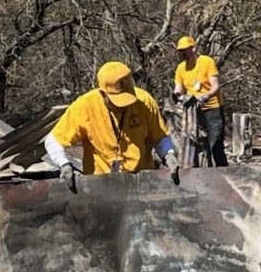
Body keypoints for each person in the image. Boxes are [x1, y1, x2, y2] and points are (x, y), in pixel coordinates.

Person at [45, 61, 180, 192]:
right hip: (99, 185)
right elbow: (53, 141)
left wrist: (168, 155)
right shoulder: (84, 106)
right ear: (103, 94)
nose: (124, 105)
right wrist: (64, 165)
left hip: (142, 182)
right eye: (117, 101)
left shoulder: (144, 101)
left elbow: (160, 136)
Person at [173, 36, 228, 167]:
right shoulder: (181, 68)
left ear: (193, 48)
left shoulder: (206, 62)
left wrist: (205, 96)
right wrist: (178, 97)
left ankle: (224, 174)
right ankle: (200, 175)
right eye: (181, 51)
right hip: (193, 112)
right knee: (195, 146)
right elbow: (178, 88)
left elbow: (215, 86)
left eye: (185, 50)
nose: (183, 53)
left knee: (215, 146)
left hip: (212, 109)